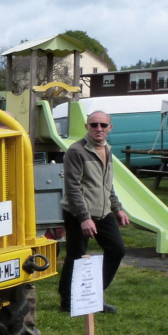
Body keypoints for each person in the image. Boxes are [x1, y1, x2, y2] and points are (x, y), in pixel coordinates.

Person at [58, 110, 129, 314]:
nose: (99, 129)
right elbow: (72, 187)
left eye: (103, 125)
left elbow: (107, 184)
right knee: (76, 257)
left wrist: (117, 208)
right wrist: (83, 217)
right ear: (87, 127)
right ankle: (68, 302)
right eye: (94, 125)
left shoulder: (107, 149)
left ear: (109, 128)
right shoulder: (76, 151)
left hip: (103, 211)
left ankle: (93, 296)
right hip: (79, 214)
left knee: (117, 250)